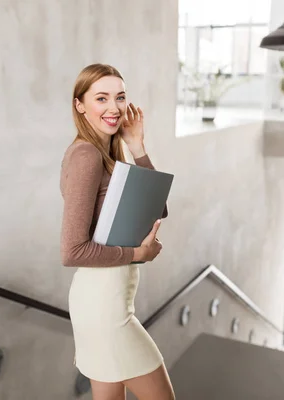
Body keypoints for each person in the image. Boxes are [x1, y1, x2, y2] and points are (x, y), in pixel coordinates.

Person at [59, 63, 175, 400]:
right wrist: (139, 254)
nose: (114, 108)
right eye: (101, 98)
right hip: (103, 305)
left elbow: (158, 209)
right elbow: (72, 251)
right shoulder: (87, 156)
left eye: (120, 97)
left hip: (108, 298)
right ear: (80, 104)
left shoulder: (106, 152)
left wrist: (137, 147)